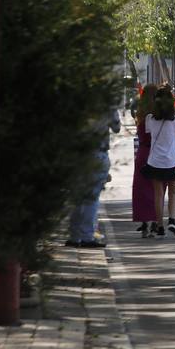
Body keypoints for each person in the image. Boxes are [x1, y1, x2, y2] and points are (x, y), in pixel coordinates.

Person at [67, 104, 121, 248]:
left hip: (77, 154)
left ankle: (74, 236)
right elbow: (117, 127)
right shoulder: (107, 105)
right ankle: (86, 236)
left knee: (77, 197)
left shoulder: (78, 101)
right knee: (91, 198)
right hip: (98, 152)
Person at [145, 83, 175, 237]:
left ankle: (159, 225)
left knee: (158, 193)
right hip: (171, 161)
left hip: (155, 160)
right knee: (172, 192)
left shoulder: (150, 119)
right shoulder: (174, 120)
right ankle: (172, 220)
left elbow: (148, 132)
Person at [131, 85, 157, 237]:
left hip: (142, 152)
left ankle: (144, 222)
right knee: (157, 189)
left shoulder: (140, 114)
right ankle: (155, 220)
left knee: (141, 189)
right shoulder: (157, 115)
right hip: (155, 152)